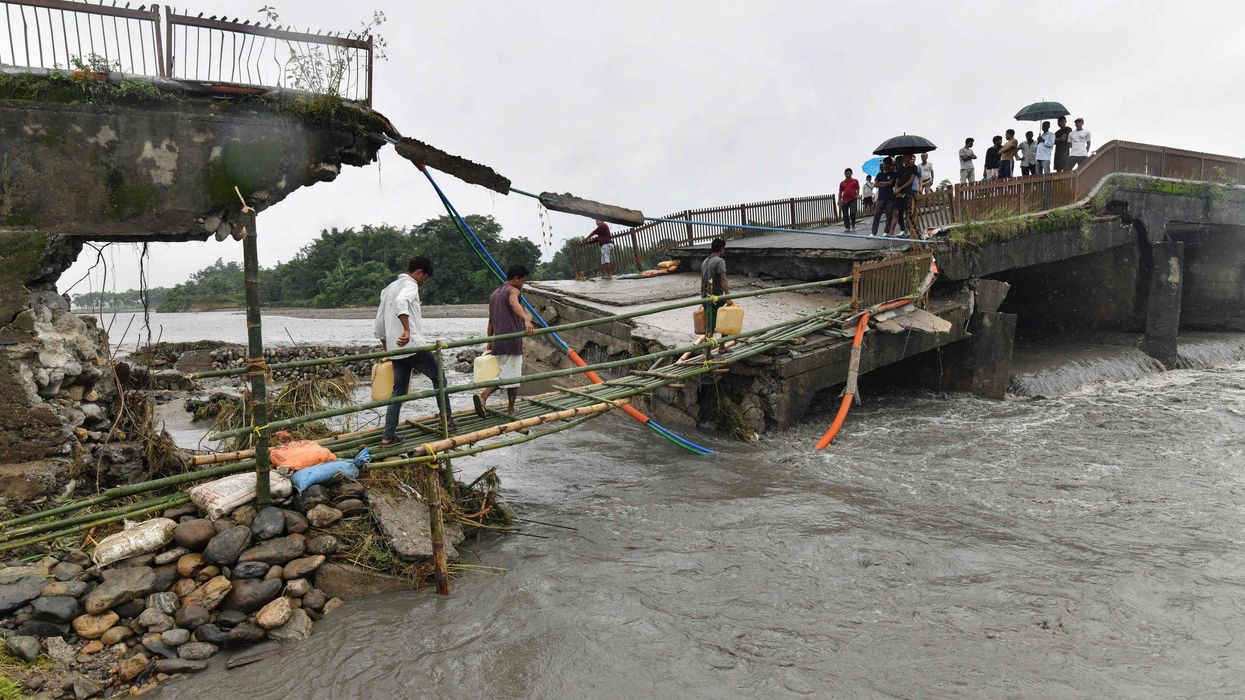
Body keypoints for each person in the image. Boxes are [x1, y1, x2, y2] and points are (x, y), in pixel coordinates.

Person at [375, 256, 448, 446]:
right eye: (425, 278)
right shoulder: (410, 285)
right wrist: (407, 330)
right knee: (439, 377)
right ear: (419, 273)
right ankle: (446, 420)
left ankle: (388, 435)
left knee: (398, 391)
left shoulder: (388, 288)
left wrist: (387, 349)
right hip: (413, 345)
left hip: (396, 349)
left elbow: (380, 322)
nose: (424, 282)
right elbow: (401, 302)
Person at [474, 265, 536, 417]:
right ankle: (492, 399)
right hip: (511, 339)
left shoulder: (495, 293)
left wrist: (490, 341)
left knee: (504, 373)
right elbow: (514, 304)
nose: (523, 284)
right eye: (522, 281)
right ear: (516, 278)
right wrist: (526, 319)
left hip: (498, 340)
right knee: (513, 376)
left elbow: (490, 320)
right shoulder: (513, 291)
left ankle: (490, 399)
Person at [700, 238, 731, 351]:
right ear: (721, 249)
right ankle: (708, 351)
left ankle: (717, 347)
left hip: (705, 297)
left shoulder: (705, 261)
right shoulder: (719, 261)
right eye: (724, 248)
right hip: (716, 297)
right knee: (722, 321)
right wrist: (728, 296)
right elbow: (723, 279)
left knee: (710, 323)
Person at [889, 154, 919, 237]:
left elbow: (911, 180)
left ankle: (906, 232)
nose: (905, 159)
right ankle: (891, 232)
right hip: (898, 193)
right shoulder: (901, 168)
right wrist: (896, 189)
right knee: (896, 212)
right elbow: (897, 180)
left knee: (907, 213)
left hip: (907, 192)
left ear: (910, 158)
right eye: (904, 157)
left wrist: (900, 188)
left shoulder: (913, 167)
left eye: (906, 157)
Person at [870, 157, 896, 236]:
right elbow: (875, 184)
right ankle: (873, 233)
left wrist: (881, 183)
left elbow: (891, 183)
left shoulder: (893, 174)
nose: (885, 165)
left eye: (887, 164)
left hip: (890, 197)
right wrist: (885, 183)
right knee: (877, 215)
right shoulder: (879, 174)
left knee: (889, 215)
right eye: (884, 164)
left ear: (890, 164)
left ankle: (886, 232)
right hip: (880, 197)